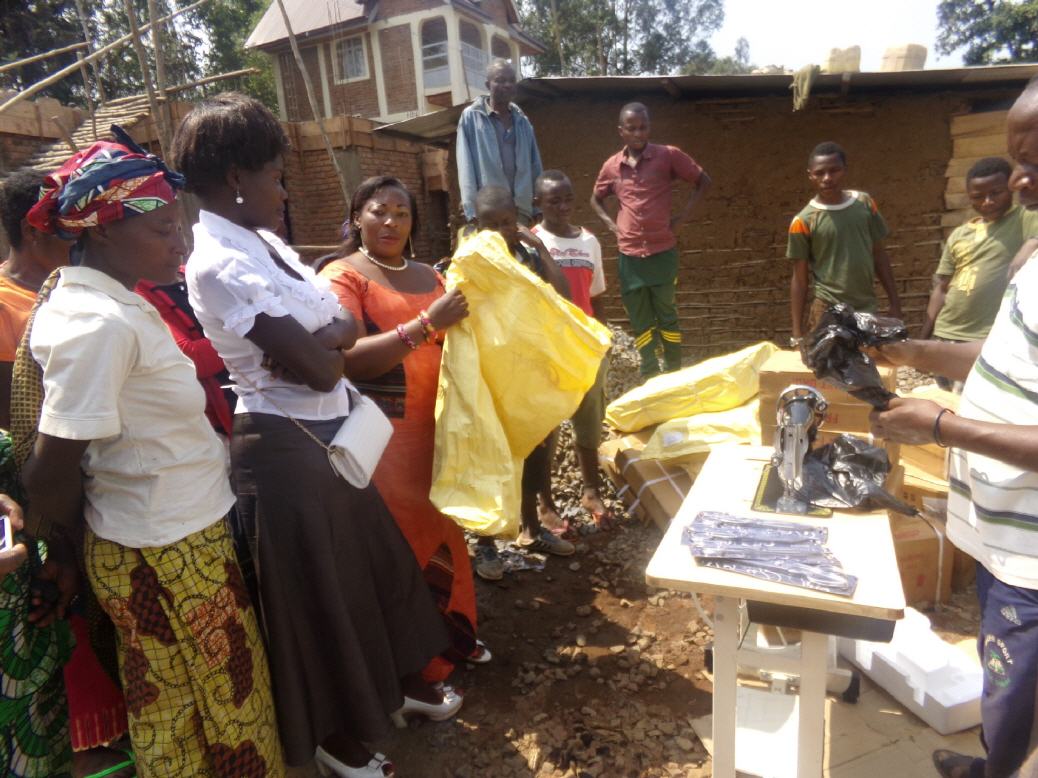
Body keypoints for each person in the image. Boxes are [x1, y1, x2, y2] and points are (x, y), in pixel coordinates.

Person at [175, 93, 459, 777]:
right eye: (275, 177)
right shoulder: (217, 264)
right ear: (236, 179)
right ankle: (338, 738)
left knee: (371, 569)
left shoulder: (266, 246)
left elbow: (344, 329)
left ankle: (392, 690)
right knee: (319, 599)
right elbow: (323, 364)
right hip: (286, 453)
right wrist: (326, 344)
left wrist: (324, 341)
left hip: (331, 435)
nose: (284, 192)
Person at [19, 130, 283, 777]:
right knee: (230, 707)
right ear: (105, 229)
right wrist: (68, 545)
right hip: (170, 546)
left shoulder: (114, 303)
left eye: (179, 224)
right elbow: (52, 470)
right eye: (163, 227)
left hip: (163, 530)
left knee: (173, 711)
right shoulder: (96, 325)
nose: (180, 241)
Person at [868, 79, 1038, 778]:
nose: (1020, 181)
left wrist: (940, 426)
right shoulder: (1034, 258)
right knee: (1005, 680)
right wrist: (914, 352)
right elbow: (1000, 357)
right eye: (1017, 160)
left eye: (1036, 163)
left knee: (1013, 687)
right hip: (1004, 537)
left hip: (1032, 558)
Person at [318, 175, 490, 681]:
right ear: (357, 218)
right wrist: (426, 324)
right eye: (379, 211)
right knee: (400, 545)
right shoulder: (343, 276)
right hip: (387, 442)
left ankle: (454, 636)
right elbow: (348, 359)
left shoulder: (431, 276)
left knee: (445, 532)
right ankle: (415, 664)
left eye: (402, 213)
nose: (391, 222)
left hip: (441, 432)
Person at [470, 185, 573, 580]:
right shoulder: (468, 261)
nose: (501, 231)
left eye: (507, 222)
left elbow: (562, 297)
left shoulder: (528, 257)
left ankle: (531, 528)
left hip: (528, 371)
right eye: (491, 224)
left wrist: (541, 248)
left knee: (534, 451)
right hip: (488, 376)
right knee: (488, 457)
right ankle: (485, 544)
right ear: (475, 225)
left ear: (519, 222)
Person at [591, 102, 711, 377]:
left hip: (662, 252)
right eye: (631, 128)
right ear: (621, 131)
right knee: (639, 317)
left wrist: (682, 218)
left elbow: (703, 181)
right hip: (629, 256)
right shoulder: (612, 166)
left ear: (649, 128)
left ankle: (673, 371)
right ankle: (649, 372)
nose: (638, 133)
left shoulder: (667, 156)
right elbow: (595, 199)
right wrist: (612, 226)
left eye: (643, 127)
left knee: (666, 314)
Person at [531, 170, 612, 531]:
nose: (563, 207)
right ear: (538, 203)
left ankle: (591, 491)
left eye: (568, 199)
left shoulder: (590, 241)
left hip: (585, 347)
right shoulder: (531, 242)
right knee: (545, 427)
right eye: (554, 201)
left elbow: (597, 297)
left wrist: (603, 340)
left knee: (589, 421)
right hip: (548, 349)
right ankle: (544, 502)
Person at [920, 156, 1038, 390]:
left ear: (1011, 189)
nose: (987, 202)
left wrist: (1031, 244)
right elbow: (942, 288)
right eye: (977, 196)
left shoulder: (1022, 218)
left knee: (976, 398)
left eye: (996, 193)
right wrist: (924, 336)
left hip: (986, 336)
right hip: (946, 332)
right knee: (946, 397)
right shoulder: (959, 234)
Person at [788, 141, 902, 343]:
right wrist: (797, 333)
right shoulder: (803, 221)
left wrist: (895, 302)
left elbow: (879, 254)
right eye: (819, 173)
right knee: (831, 362)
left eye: (834, 170)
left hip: (866, 307)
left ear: (845, 170)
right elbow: (800, 279)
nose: (827, 178)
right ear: (810, 175)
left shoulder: (864, 203)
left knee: (867, 360)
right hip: (827, 310)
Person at [0, 170, 69, 428]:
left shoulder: (78, 284)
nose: (84, 238)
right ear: (33, 231)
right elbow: (13, 417)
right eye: (70, 229)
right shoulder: (5, 306)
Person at [456, 59, 543, 226]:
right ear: (488, 85)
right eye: (500, 80)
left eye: (511, 80)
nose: (507, 85)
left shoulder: (522, 121)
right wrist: (471, 209)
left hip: (521, 210)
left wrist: (538, 206)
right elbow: (465, 165)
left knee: (522, 244)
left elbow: (535, 165)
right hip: (489, 210)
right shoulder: (471, 117)